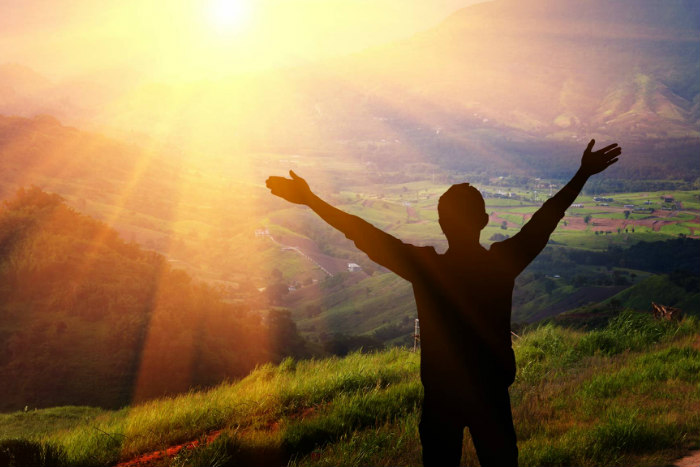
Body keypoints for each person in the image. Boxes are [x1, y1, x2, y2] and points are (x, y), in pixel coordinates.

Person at [266, 139, 621, 466]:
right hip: (491, 395)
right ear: (484, 221)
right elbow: (546, 219)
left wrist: (311, 200)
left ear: (440, 223)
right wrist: (581, 175)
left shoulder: (427, 269)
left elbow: (362, 233)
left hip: (441, 397)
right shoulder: (501, 264)